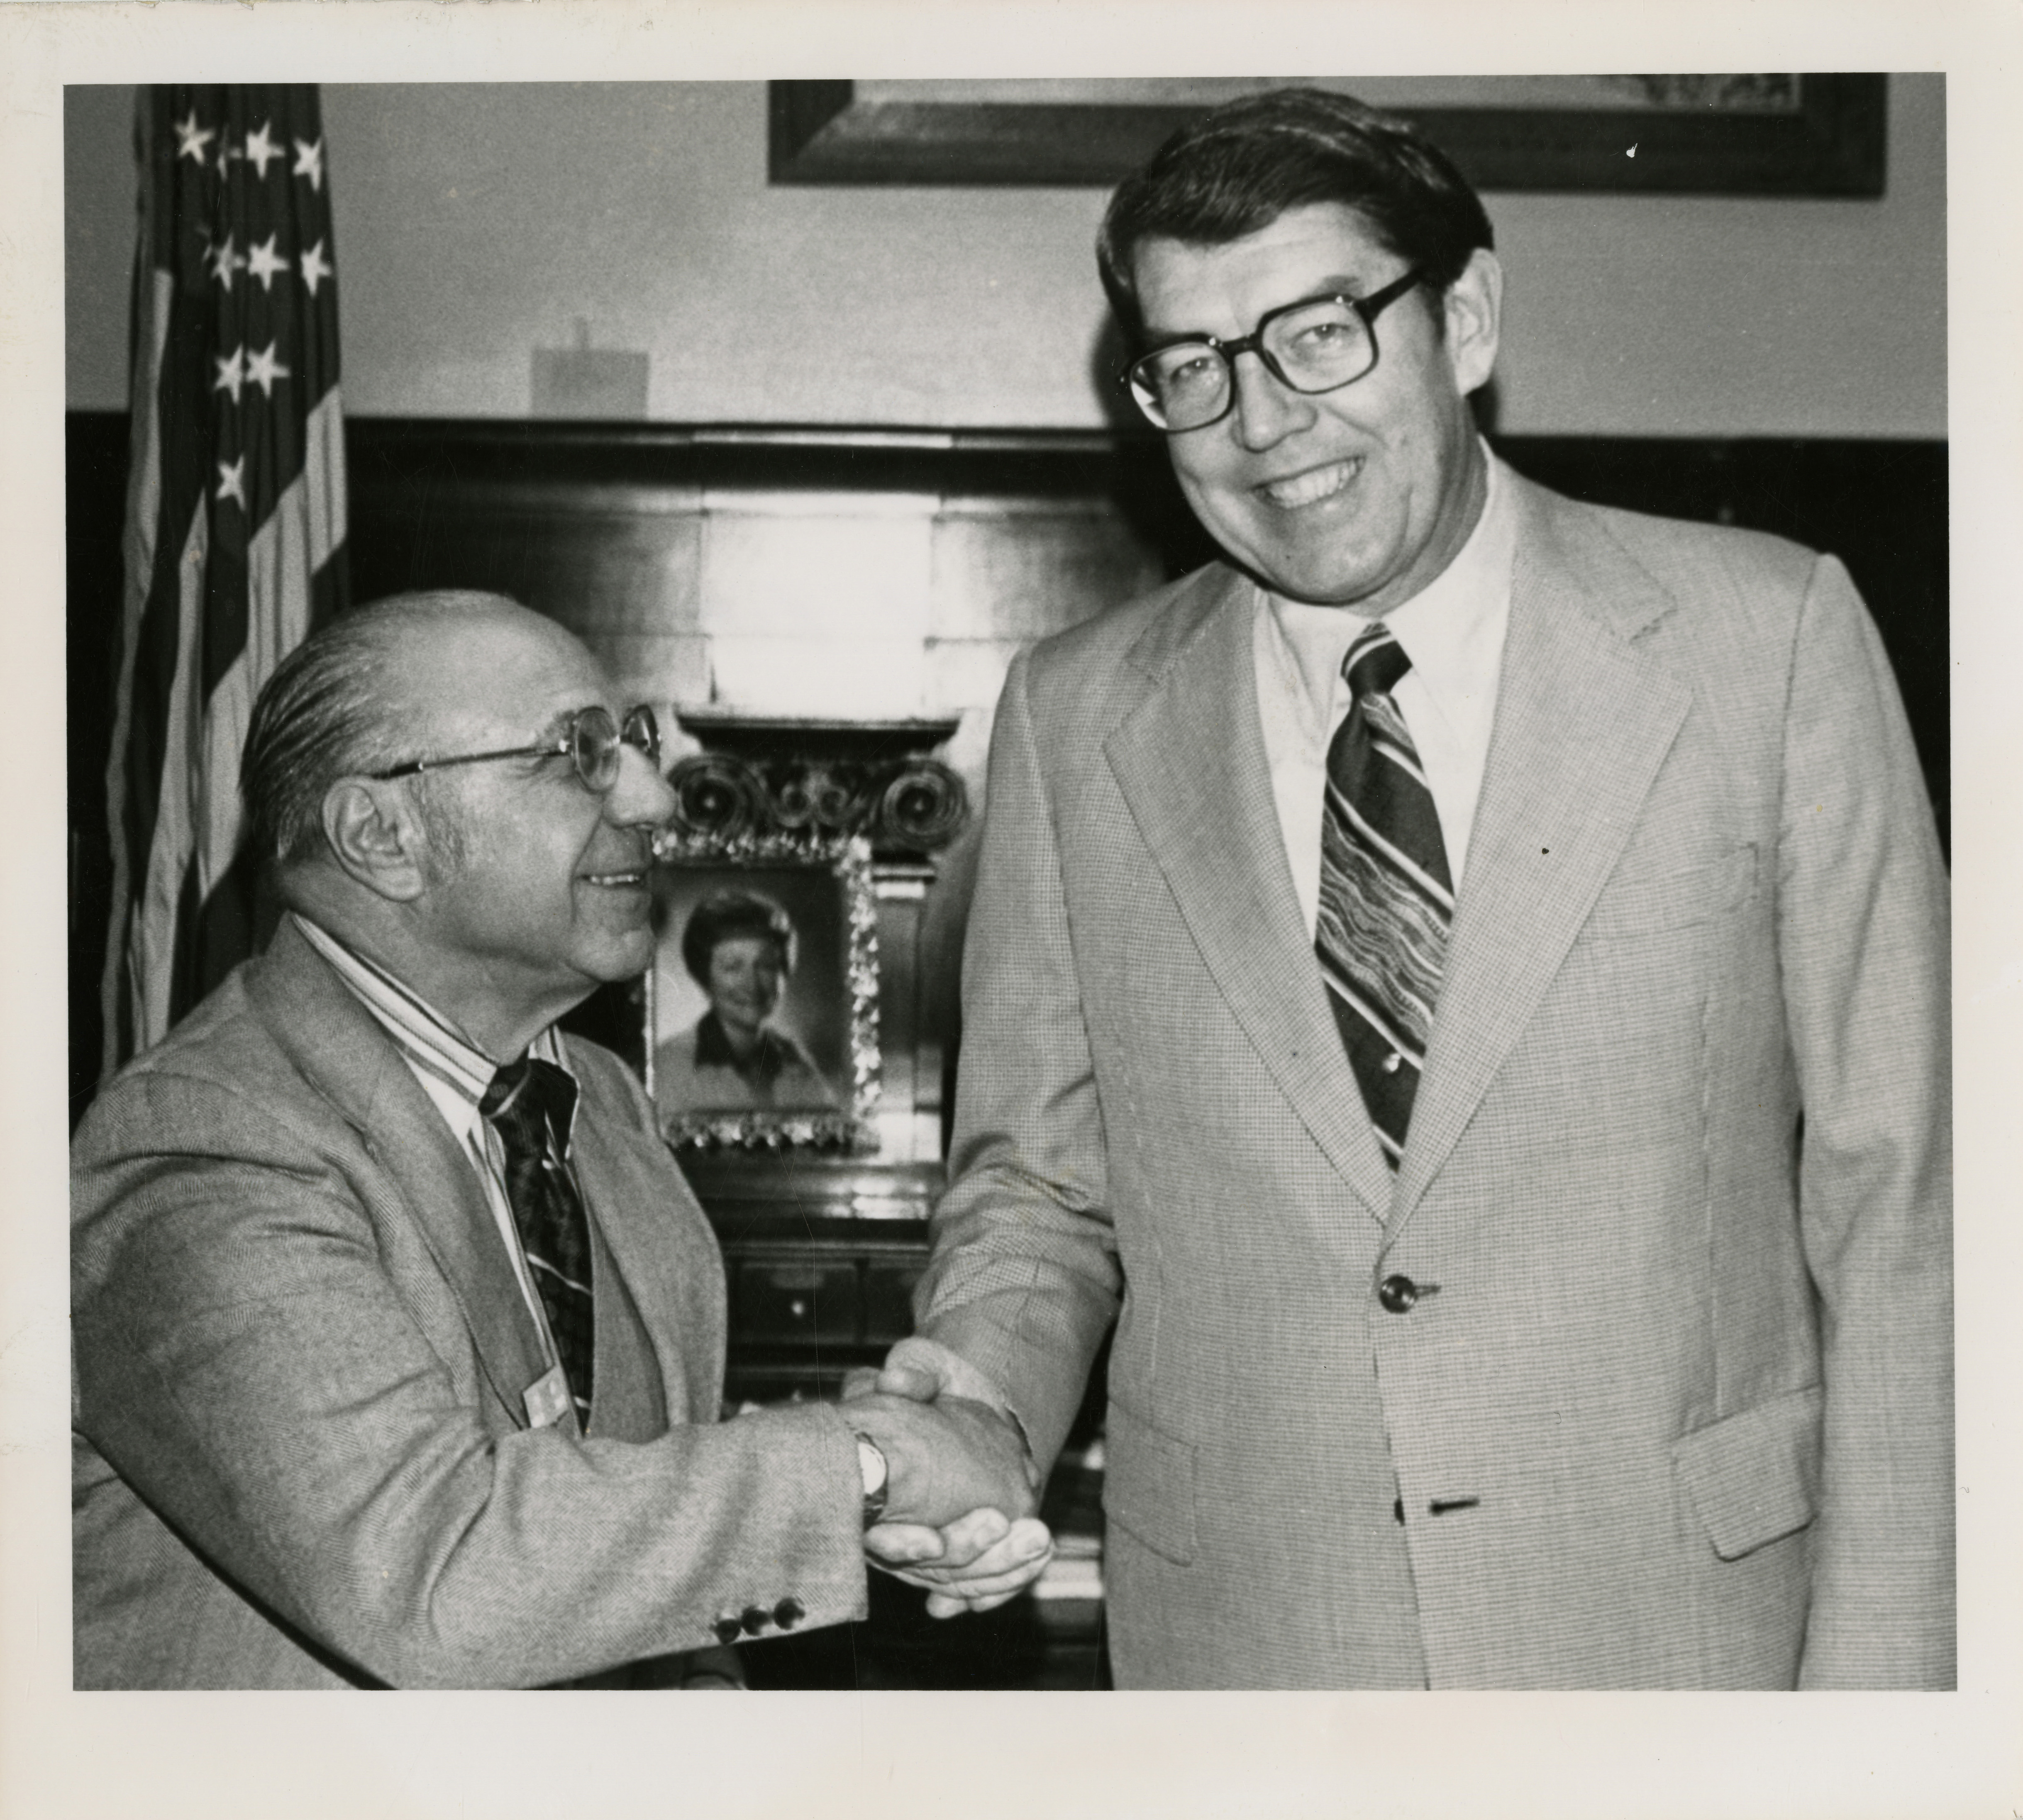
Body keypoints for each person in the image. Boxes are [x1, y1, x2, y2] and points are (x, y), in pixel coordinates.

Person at [861, 88, 1952, 1688]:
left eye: (1319, 334)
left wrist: (1886, 1708)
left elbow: (1910, 1202)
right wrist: (978, 1408)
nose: (1262, 421)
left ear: (1467, 318)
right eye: (1193, 366)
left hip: (1690, 1645)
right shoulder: (1074, 713)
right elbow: (1040, 1191)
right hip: (1255, 1656)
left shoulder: (1765, 641)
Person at [71, 590, 1046, 1689]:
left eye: (632, 740)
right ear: (382, 837)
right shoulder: (203, 1146)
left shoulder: (599, 1102)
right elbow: (439, 1578)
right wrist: (869, 1465)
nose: (653, 797)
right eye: (578, 752)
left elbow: (633, 1565)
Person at [654, 890, 837, 1122]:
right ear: (705, 977)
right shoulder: (669, 1068)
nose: (752, 984)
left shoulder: (797, 1065)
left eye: (767, 965)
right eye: (733, 967)